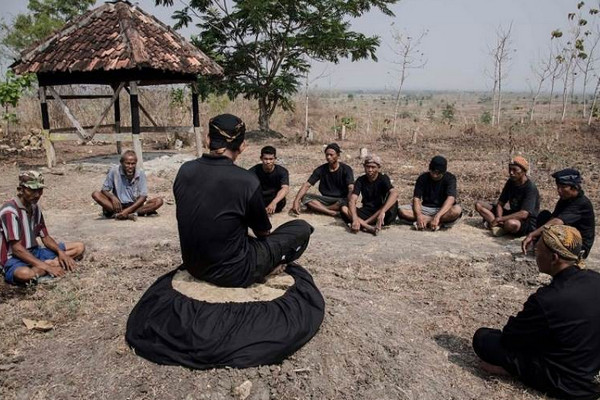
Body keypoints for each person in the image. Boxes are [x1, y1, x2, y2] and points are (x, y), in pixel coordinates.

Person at [173, 113, 313, 288]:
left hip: (195, 265)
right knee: (301, 228)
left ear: (208, 140)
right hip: (234, 272)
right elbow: (263, 233)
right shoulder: (246, 180)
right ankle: (268, 267)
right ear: (242, 146)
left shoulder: (184, 171)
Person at [473, 225, 600, 399]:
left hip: (568, 383)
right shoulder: (595, 279)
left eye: (538, 250)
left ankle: (511, 370)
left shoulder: (548, 299)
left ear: (554, 258)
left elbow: (510, 339)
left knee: (483, 338)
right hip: (592, 370)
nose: (535, 253)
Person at [0, 171, 85, 285]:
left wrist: (61, 252)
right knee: (25, 274)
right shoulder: (10, 211)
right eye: (32, 190)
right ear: (20, 189)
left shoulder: (34, 207)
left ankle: (45, 266)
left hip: (36, 252)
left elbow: (45, 237)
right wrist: (48, 267)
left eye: (40, 190)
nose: (37, 194)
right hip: (15, 258)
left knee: (79, 247)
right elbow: (17, 249)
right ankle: (48, 265)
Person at [522, 168, 595, 258]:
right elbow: (553, 218)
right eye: (558, 187)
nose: (559, 190)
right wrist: (538, 238)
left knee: (552, 228)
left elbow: (557, 221)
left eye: (563, 187)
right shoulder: (565, 199)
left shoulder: (582, 203)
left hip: (578, 246)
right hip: (566, 235)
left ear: (574, 187)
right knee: (544, 216)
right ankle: (539, 248)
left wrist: (532, 234)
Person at [474, 156, 539, 237]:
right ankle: (500, 226)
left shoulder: (530, 187)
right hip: (511, 214)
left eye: (515, 170)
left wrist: (500, 219)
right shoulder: (511, 182)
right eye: (510, 169)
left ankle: (499, 226)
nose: (511, 173)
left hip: (525, 221)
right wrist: (499, 217)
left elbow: (524, 214)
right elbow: (500, 203)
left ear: (523, 171)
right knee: (479, 205)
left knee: (511, 223)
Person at [92, 150, 163, 220]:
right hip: (118, 206)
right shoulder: (114, 171)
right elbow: (104, 190)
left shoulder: (140, 173)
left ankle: (124, 214)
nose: (130, 166)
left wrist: (128, 210)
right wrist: (113, 197)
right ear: (121, 163)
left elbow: (143, 197)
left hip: (134, 206)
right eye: (127, 163)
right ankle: (127, 213)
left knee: (159, 201)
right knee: (96, 194)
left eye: (133, 164)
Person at [398, 155, 462, 230]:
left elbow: (451, 199)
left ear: (443, 172)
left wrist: (438, 216)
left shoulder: (450, 178)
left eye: (437, 173)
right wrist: (419, 215)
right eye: (432, 171)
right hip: (426, 209)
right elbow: (416, 198)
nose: (434, 175)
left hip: (442, 210)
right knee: (401, 210)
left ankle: (428, 221)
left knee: (457, 210)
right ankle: (433, 222)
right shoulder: (422, 178)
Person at [291, 143, 354, 217]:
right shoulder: (321, 169)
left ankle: (320, 209)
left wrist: (350, 202)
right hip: (325, 199)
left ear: (338, 155)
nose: (328, 157)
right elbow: (307, 185)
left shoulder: (346, 169)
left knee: (345, 201)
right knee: (305, 197)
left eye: (331, 155)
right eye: (327, 155)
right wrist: (296, 200)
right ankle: (331, 212)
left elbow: (351, 188)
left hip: (340, 199)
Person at [341, 155, 399, 235]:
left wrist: (382, 212)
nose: (370, 170)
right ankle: (368, 227)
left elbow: (394, 193)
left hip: (381, 214)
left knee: (393, 202)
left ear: (378, 167)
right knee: (344, 207)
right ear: (364, 167)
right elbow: (353, 199)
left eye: (373, 167)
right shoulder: (360, 180)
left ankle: (362, 224)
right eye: (368, 167)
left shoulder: (383, 178)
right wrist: (354, 219)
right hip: (367, 211)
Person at [249, 146, 290, 214]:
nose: (268, 162)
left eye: (271, 159)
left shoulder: (282, 171)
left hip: (276, 200)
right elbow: (247, 188)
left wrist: (274, 202)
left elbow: (285, 188)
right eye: (265, 159)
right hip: (259, 198)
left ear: (275, 159)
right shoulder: (253, 171)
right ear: (261, 158)